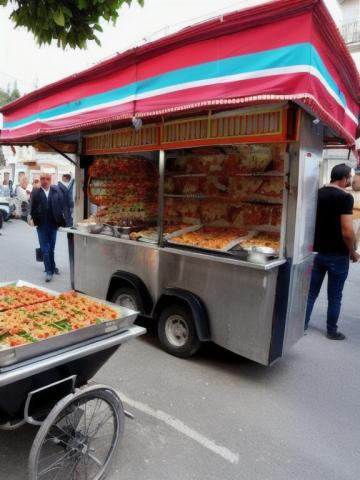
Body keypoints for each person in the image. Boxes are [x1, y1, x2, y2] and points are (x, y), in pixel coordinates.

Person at [305, 163, 360, 340]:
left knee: (311, 293)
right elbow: (347, 231)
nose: (351, 180)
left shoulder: (317, 193)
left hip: (315, 252)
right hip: (337, 255)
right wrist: (352, 251)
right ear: (343, 178)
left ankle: (302, 324)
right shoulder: (345, 198)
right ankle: (331, 330)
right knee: (335, 296)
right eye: (350, 177)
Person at [30, 173, 66, 282]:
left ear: (51, 180)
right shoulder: (35, 192)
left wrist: (61, 221)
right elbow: (32, 208)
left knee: (51, 249)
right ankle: (48, 271)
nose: (45, 180)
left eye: (47, 179)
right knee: (45, 249)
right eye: (42, 178)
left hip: (53, 224)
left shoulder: (56, 191)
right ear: (40, 180)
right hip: (41, 225)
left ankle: (53, 266)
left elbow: (60, 207)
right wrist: (33, 219)